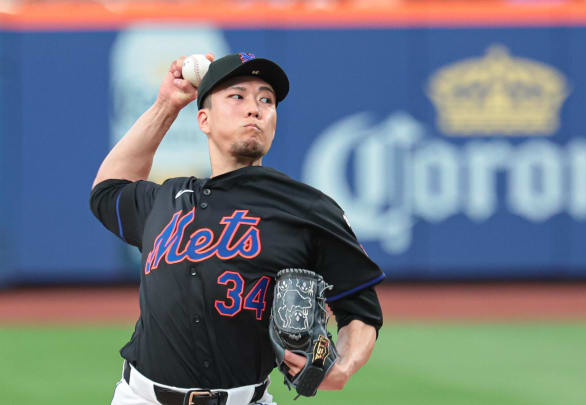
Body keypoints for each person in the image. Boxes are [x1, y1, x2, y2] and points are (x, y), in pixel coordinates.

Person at [90, 51, 385, 405]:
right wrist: (167, 105)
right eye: (237, 96)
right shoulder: (166, 200)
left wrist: (345, 366)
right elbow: (107, 190)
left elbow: (361, 308)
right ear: (204, 119)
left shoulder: (307, 208)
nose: (254, 108)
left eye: (266, 99)